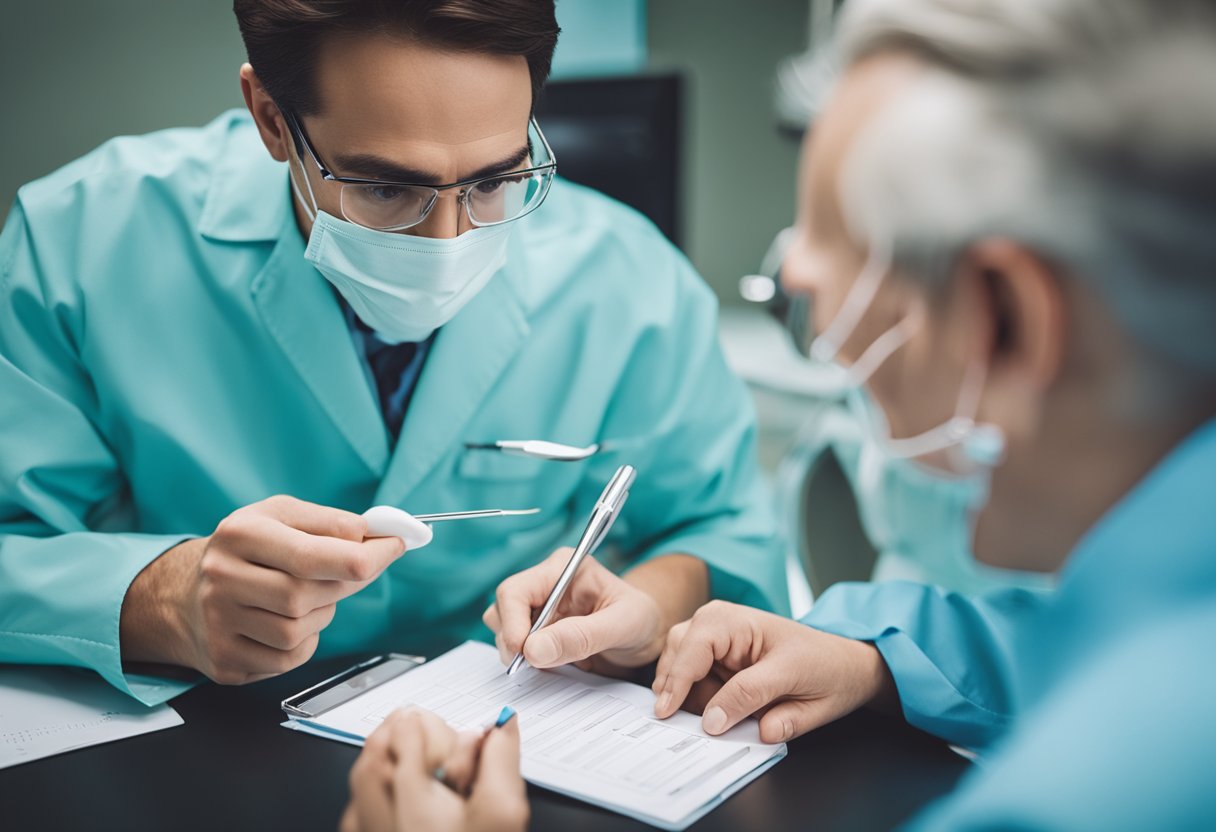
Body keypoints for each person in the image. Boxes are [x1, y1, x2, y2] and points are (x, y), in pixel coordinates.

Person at [344, 0, 1216, 828]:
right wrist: (875, 665)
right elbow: (1054, 651)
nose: (800, 288)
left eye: (820, 301)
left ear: (1012, 318)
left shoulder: (1074, 804)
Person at [0, 0, 786, 706]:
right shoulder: (78, 243)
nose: (448, 244)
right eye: (384, 190)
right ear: (272, 119)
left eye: (495, 180)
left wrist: (641, 600)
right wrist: (164, 600)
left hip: (509, 735)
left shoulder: (629, 279)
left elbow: (726, 531)